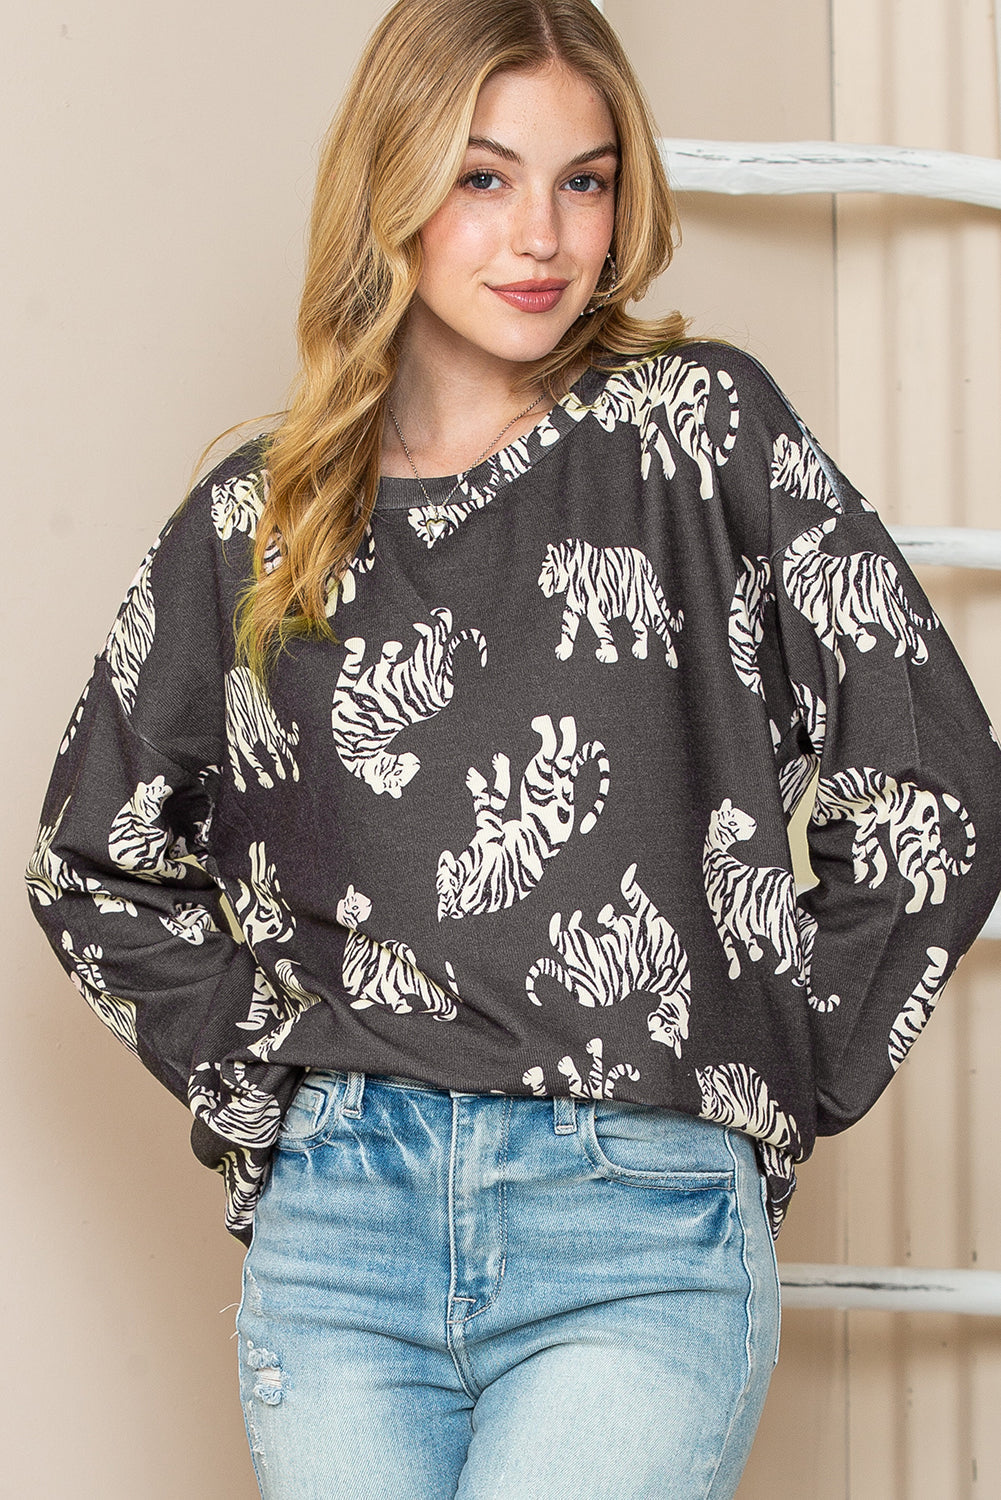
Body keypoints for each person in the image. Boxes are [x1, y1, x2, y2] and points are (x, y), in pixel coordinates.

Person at [25, 0, 1001, 1495]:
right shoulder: (255, 522)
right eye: (483, 176)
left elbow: (936, 780)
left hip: (636, 1222)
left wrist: (770, 1063)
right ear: (394, 186)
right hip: (341, 1240)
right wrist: (267, 1089)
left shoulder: (698, 434)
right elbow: (91, 859)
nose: (542, 234)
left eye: (583, 180)